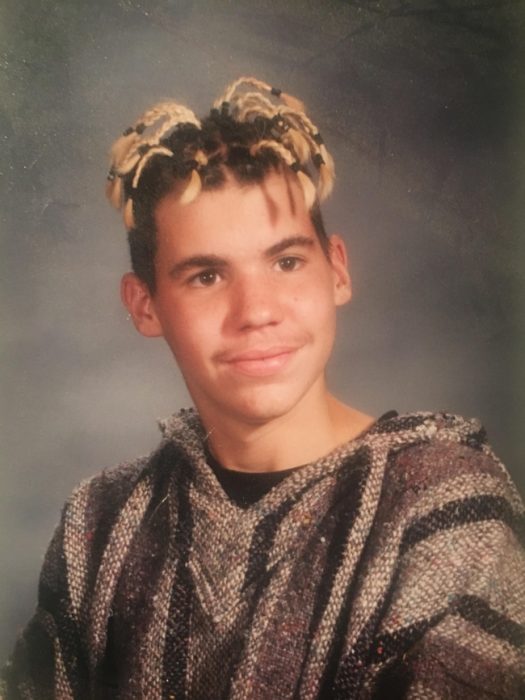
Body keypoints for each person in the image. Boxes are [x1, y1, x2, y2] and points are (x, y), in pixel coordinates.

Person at [2, 77, 524, 699]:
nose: (257, 311)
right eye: (205, 276)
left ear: (336, 270)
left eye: (286, 262)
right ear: (145, 306)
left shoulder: (442, 507)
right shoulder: (102, 522)